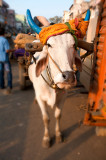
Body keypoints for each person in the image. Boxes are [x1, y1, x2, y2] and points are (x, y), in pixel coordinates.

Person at [0, 27, 13, 94]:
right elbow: (7, 50)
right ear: (4, 33)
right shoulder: (4, 40)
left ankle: (2, 86)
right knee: (8, 72)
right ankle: (9, 86)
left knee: (1, 73)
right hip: (5, 60)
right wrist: (14, 50)